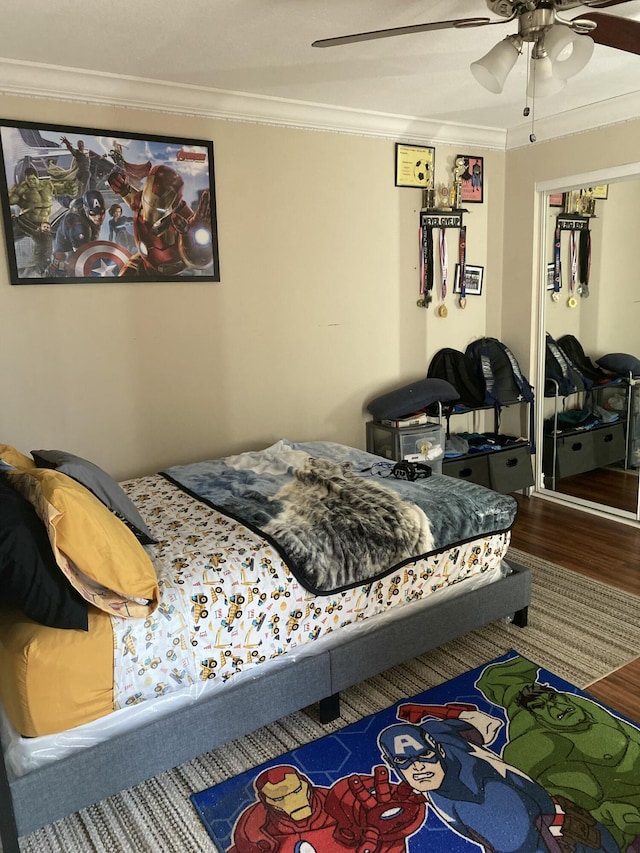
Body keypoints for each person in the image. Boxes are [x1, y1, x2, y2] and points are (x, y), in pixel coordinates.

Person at [377, 701, 620, 853]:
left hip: (571, 843)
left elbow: (522, 842)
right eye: (404, 761)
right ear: (392, 764)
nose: (418, 767)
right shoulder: (436, 732)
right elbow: (488, 725)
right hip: (570, 823)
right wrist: (434, 713)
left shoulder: (473, 800)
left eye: (424, 756)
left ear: (437, 750)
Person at [477, 655, 640, 853]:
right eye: (542, 707)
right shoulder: (538, 743)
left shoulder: (582, 710)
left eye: (553, 699)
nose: (557, 707)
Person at [227, 763, 425, 852]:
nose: (292, 802)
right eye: (280, 798)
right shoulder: (257, 836)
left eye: (296, 791)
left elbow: (390, 836)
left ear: (306, 785)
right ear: (266, 801)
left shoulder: (342, 805)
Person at [108, 162, 213, 277]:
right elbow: (135, 202)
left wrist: (193, 240)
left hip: (169, 274)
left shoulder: (184, 220)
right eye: (147, 202)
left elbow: (200, 259)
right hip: (145, 261)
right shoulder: (140, 201)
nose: (150, 214)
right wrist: (123, 190)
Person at [48, 189, 106, 275]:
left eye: (101, 213)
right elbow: (82, 256)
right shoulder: (78, 226)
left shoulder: (78, 204)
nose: (98, 217)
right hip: (65, 258)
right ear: (85, 208)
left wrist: (54, 193)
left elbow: (67, 201)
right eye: (93, 213)